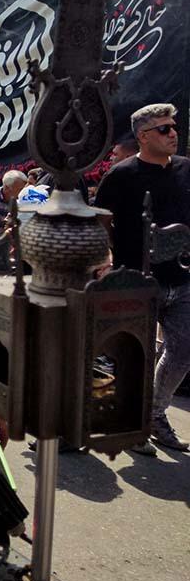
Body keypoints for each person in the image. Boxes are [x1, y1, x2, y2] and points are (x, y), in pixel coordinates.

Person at [94, 103, 190, 455]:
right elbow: (101, 221)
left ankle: (154, 414)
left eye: (174, 126)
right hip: (135, 279)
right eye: (164, 129)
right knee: (135, 355)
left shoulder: (185, 169)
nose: (173, 133)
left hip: (182, 279)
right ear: (143, 136)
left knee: (184, 349)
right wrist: (106, 262)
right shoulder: (121, 175)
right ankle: (129, 425)